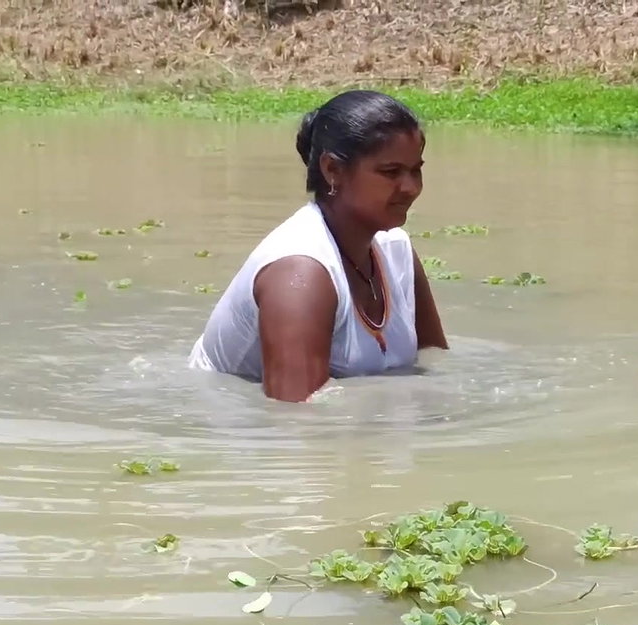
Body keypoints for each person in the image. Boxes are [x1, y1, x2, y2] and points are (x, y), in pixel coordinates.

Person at [187, 89, 449, 403]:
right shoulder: (300, 274)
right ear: (332, 170)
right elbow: (297, 420)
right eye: (391, 172)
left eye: (416, 170)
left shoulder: (396, 251)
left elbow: (434, 362)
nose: (411, 188)